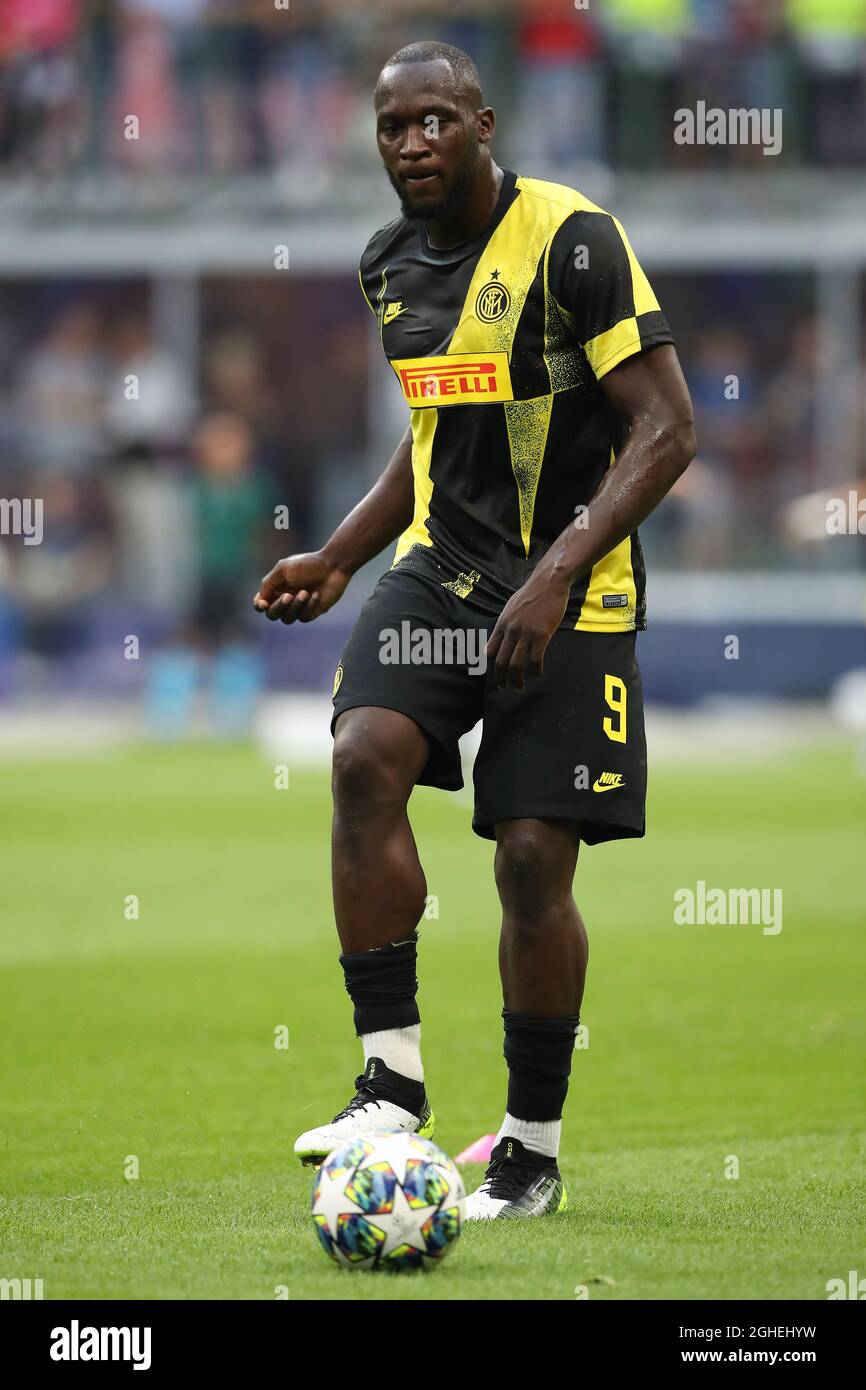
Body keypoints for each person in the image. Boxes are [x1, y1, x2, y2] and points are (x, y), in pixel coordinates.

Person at [254, 41, 695, 1220]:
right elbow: (435, 436)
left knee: (529, 858)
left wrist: (554, 573)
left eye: (434, 121)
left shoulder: (575, 240)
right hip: (442, 575)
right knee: (359, 759)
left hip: (574, 587)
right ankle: (390, 1078)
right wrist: (339, 557)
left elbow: (666, 430)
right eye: (392, 126)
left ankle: (530, 1155)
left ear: (484, 123)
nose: (411, 145)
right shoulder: (386, 265)